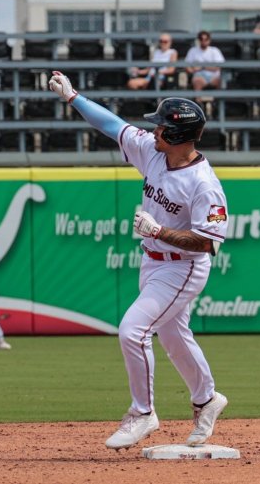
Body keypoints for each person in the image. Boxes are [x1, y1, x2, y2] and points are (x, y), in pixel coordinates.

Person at [48, 71, 229, 451]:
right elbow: (112, 125)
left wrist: (160, 232)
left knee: (133, 330)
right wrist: (74, 98)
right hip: (153, 262)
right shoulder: (153, 150)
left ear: (178, 136)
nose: (154, 130)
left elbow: (208, 244)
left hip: (183, 265)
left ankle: (143, 412)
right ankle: (207, 399)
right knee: (175, 337)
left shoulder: (204, 184)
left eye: (162, 126)